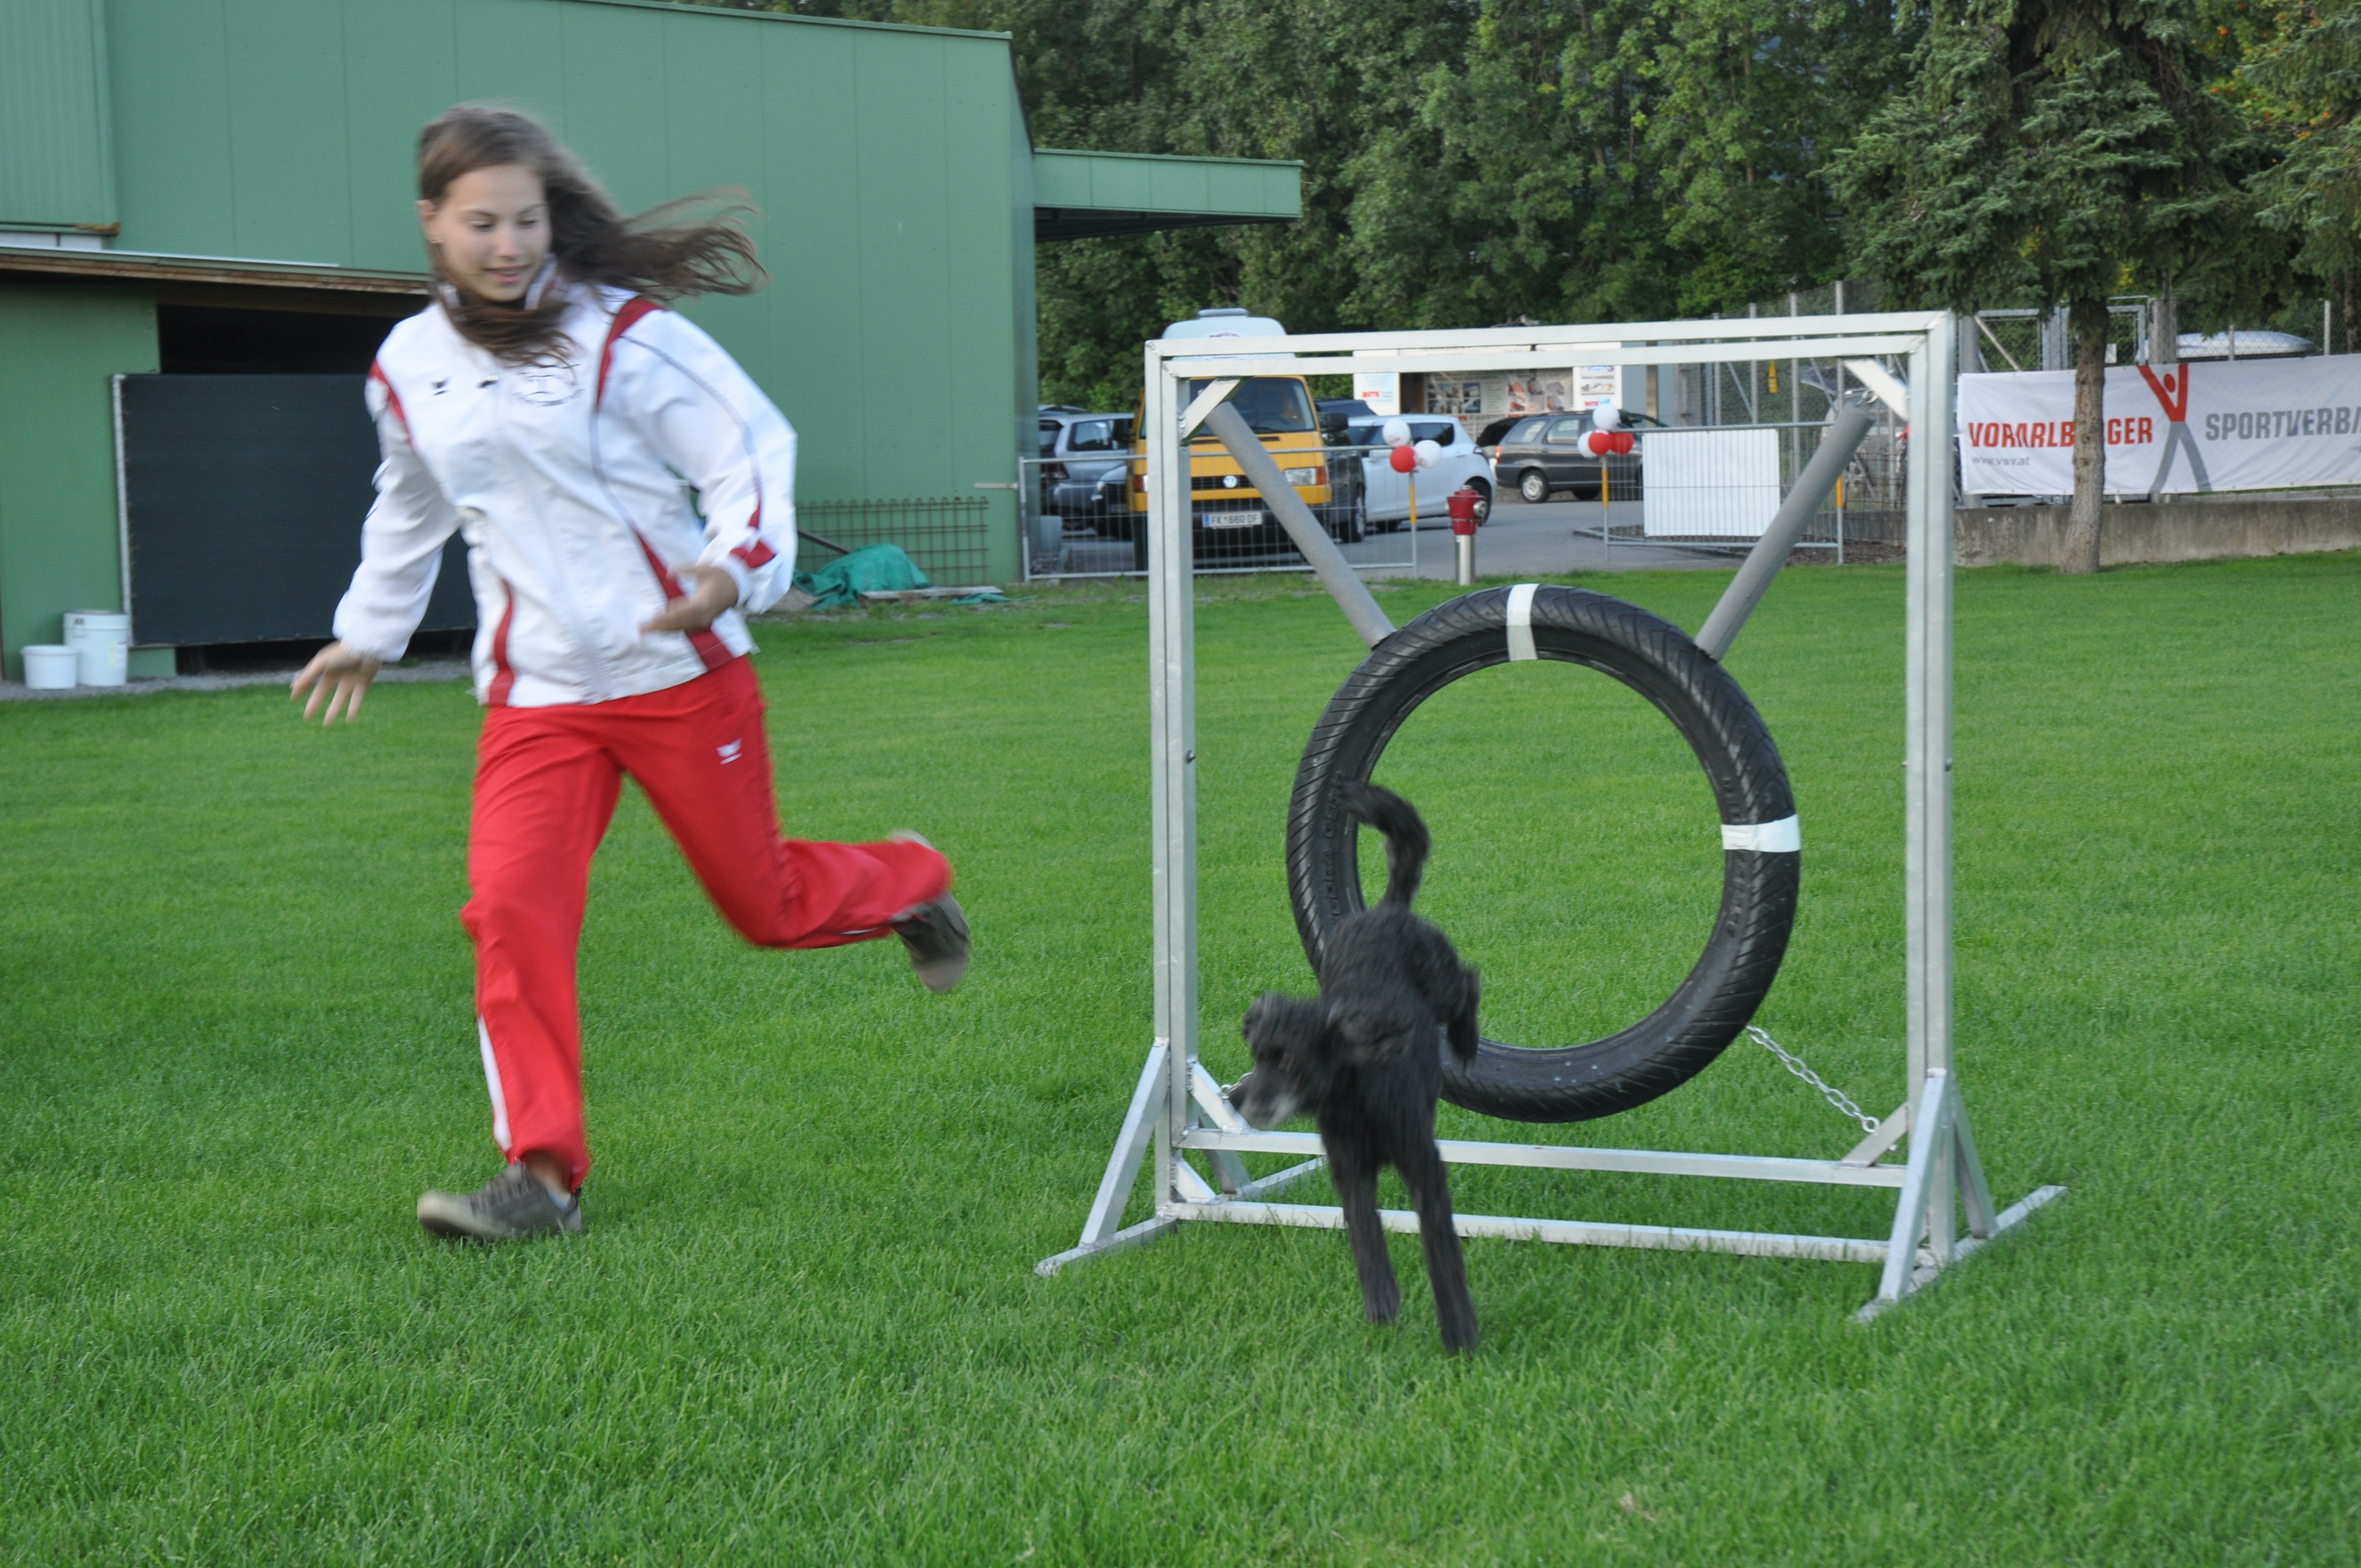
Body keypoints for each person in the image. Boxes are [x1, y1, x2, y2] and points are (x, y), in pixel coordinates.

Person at [292, 105, 967, 1242]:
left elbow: (748, 449)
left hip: (677, 669)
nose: (508, 245)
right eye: (481, 223)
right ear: (431, 222)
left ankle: (909, 881)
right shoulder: (408, 366)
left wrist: (732, 569)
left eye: (526, 220)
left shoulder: (623, 335)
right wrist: (368, 629)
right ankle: (541, 1173)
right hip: (537, 698)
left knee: (766, 908)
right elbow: (408, 506)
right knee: (510, 911)